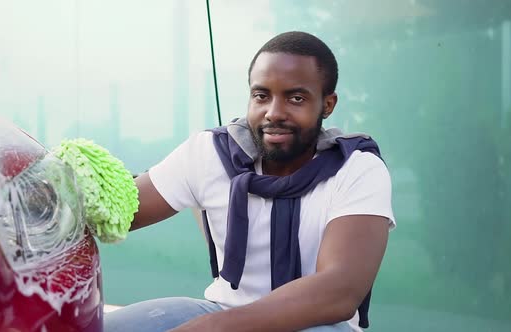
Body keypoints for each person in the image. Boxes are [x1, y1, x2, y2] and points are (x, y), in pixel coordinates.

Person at [104, 31, 395, 332]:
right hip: (221, 310)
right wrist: (60, 181)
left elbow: (338, 292)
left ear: (327, 104)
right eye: (261, 96)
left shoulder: (356, 167)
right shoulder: (214, 153)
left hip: (318, 325)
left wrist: (214, 328)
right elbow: (117, 210)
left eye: (296, 98)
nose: (274, 113)